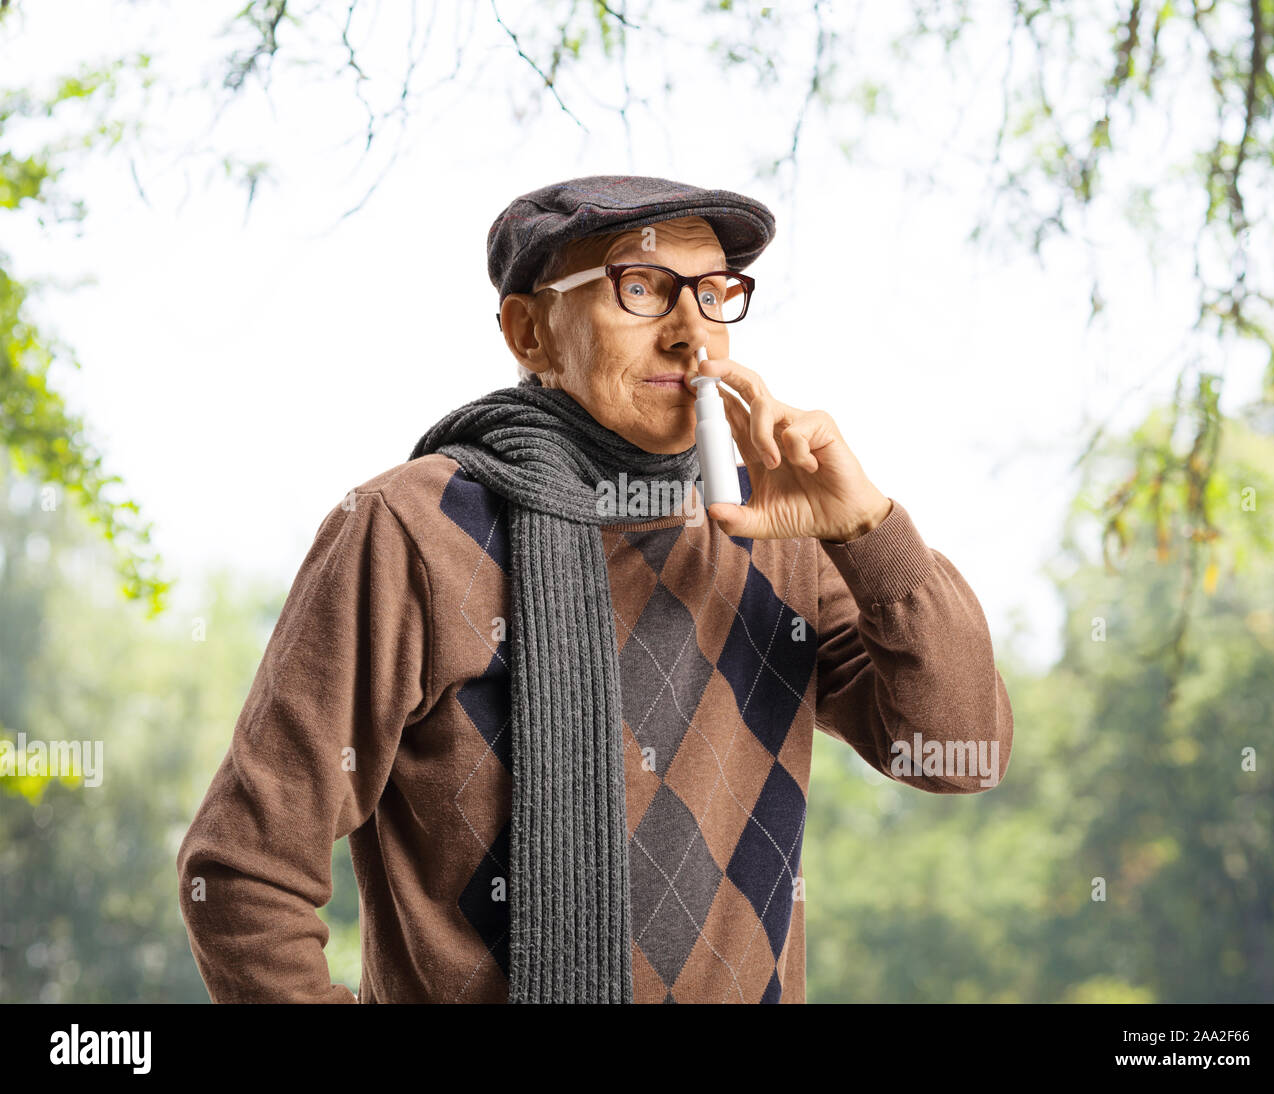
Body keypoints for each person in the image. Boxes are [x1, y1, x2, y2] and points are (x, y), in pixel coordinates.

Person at [176, 174, 1014, 1004]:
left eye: (717, 295)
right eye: (644, 288)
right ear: (529, 332)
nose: (693, 335)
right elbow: (244, 872)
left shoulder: (778, 528)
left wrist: (868, 528)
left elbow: (963, 748)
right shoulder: (408, 530)